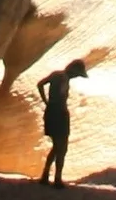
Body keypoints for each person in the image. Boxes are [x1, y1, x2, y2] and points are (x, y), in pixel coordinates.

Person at [33, 59, 89, 188]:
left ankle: (46, 175)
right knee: (61, 147)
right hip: (59, 113)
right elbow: (45, 87)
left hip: (52, 112)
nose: (76, 77)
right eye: (77, 74)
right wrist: (48, 102)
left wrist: (46, 102)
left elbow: (40, 84)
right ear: (73, 70)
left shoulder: (57, 75)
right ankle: (56, 179)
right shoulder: (63, 78)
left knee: (57, 146)